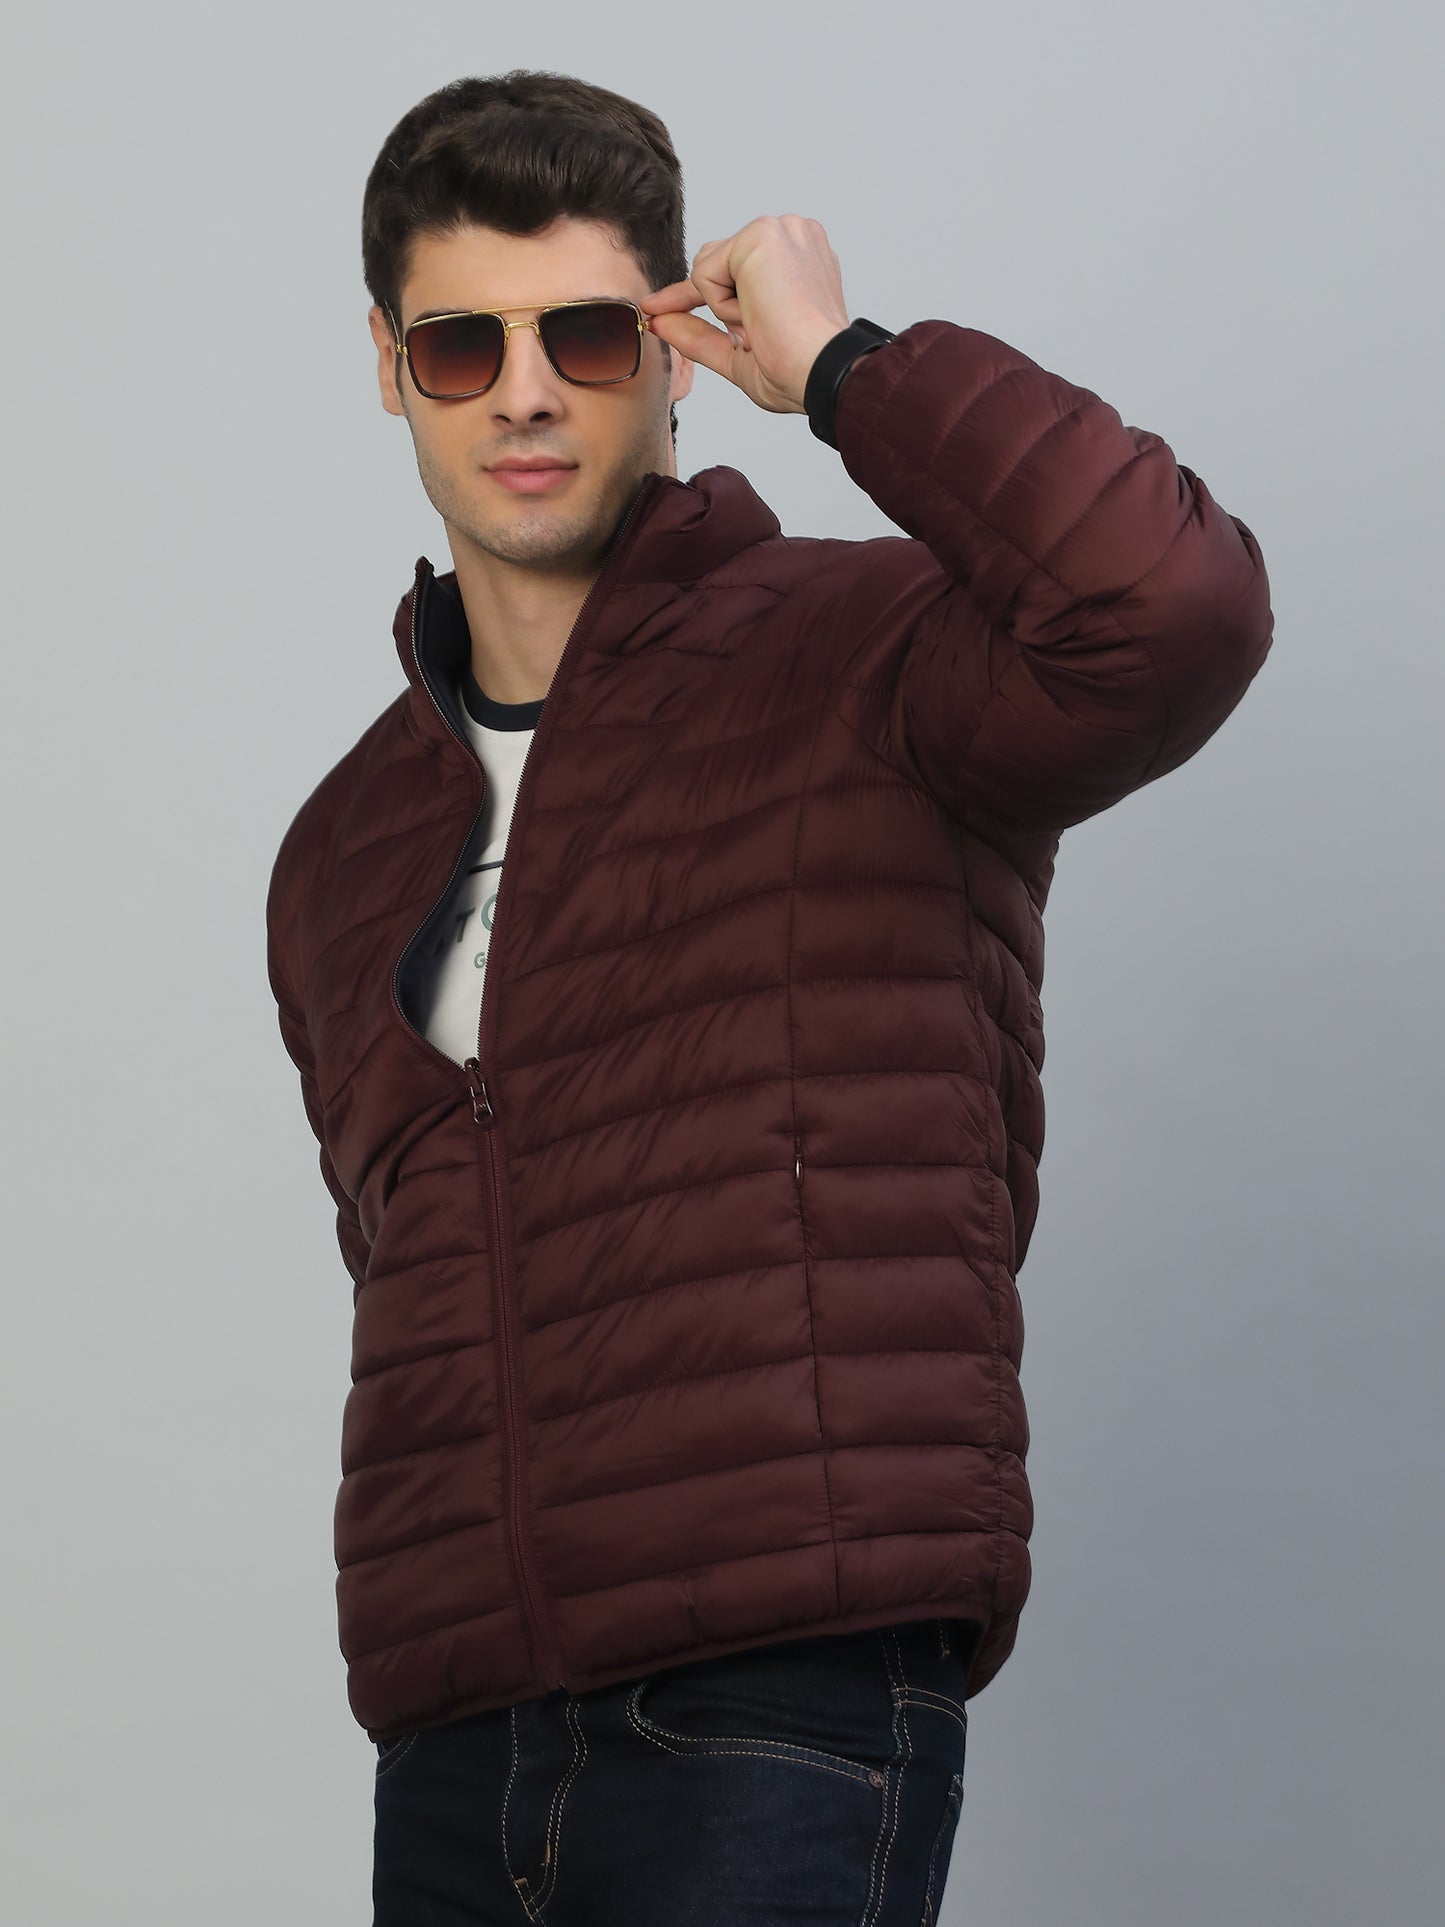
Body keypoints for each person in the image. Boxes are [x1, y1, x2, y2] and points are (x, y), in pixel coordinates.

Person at [264, 67, 1273, 1926]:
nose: (525, 393)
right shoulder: (342, 846)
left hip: (777, 1695)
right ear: (390, 369)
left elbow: (1171, 609)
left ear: (667, 347)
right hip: (457, 1734)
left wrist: (847, 369)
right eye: (462, 346)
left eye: (582, 333)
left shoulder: (870, 658)